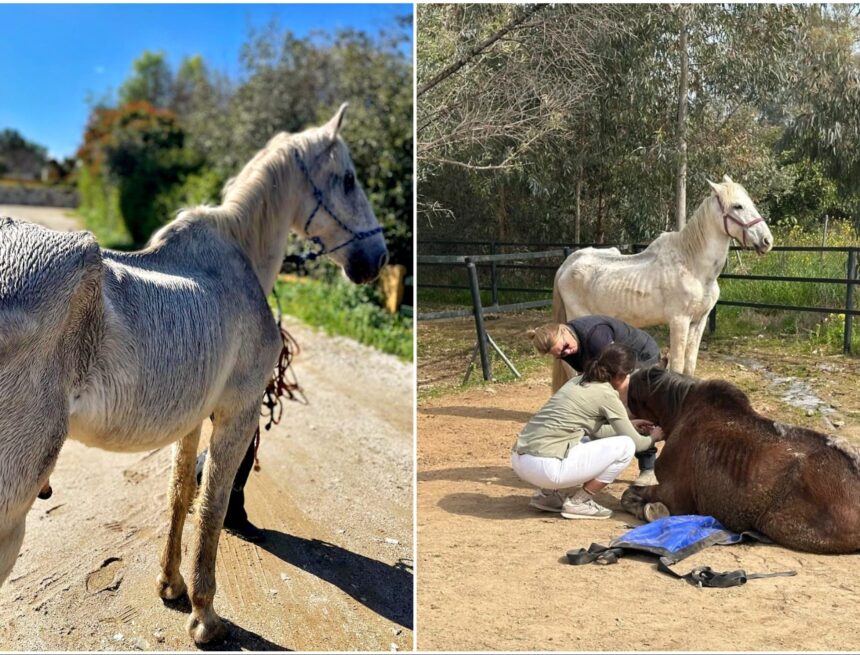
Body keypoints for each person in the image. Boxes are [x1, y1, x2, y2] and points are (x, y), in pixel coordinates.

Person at [511, 343, 665, 520]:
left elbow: (597, 433)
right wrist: (654, 437)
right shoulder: (606, 394)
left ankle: (547, 496)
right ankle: (580, 502)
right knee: (626, 446)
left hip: (520, 460)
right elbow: (638, 445)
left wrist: (630, 425)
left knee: (580, 440)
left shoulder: (578, 380)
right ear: (622, 375)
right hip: (546, 468)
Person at [528, 316, 662, 485]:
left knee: (634, 406)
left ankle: (648, 468)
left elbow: (616, 375)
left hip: (641, 355)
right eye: (560, 355)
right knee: (604, 410)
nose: (566, 353)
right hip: (614, 364)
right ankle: (596, 460)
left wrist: (624, 412)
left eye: (565, 348)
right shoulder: (567, 348)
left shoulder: (596, 336)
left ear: (564, 330)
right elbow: (590, 377)